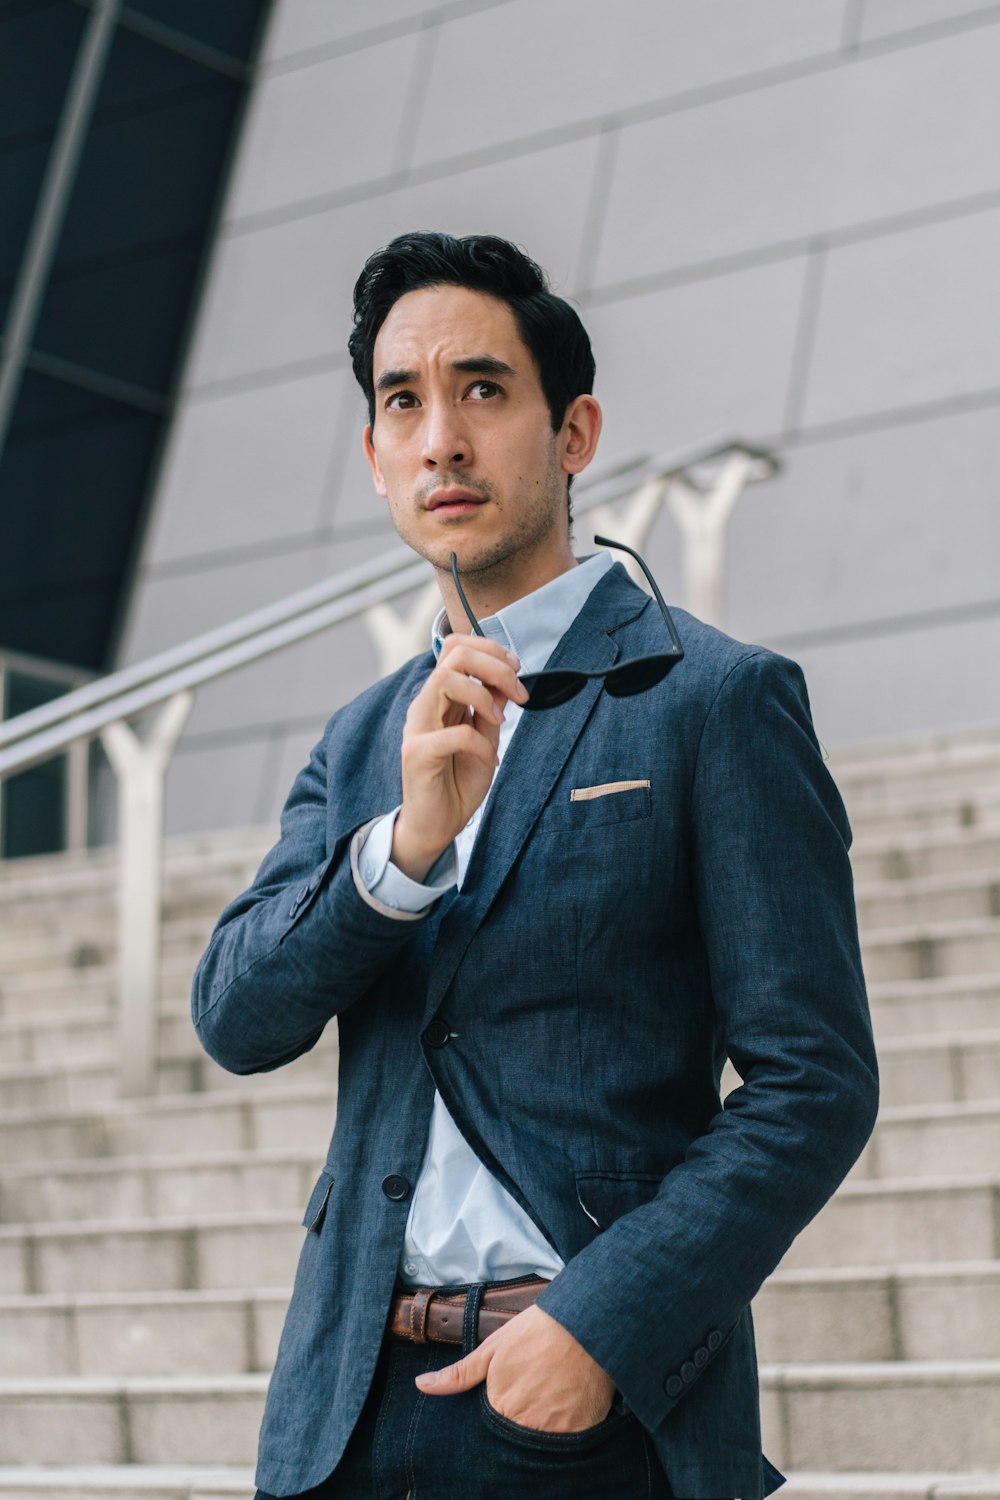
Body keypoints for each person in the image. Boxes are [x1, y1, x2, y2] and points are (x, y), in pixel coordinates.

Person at [192, 232, 879, 1500]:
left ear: (573, 434)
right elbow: (235, 1017)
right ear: (375, 458)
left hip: (578, 1409)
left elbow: (814, 1082)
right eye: (404, 402)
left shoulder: (713, 700)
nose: (441, 437)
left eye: (484, 390)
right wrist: (400, 854)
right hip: (340, 1416)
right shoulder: (360, 744)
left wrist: (602, 1326)